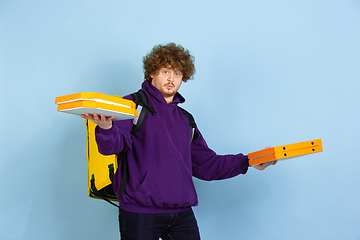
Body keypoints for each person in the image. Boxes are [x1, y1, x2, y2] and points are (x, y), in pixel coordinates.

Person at [81, 43, 277, 240]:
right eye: (165, 71)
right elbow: (113, 146)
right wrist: (106, 128)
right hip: (140, 213)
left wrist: (248, 161)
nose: (170, 79)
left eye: (177, 74)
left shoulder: (186, 119)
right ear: (152, 73)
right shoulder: (131, 106)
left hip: (182, 213)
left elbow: (207, 165)